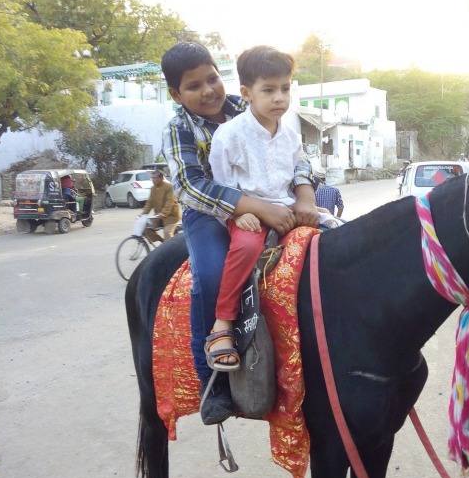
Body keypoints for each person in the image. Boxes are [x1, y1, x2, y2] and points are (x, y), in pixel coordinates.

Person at [161, 41, 320, 424]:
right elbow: (190, 186)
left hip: (274, 198)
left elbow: (298, 157)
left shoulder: (249, 101)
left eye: (212, 79)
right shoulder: (179, 128)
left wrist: (305, 195)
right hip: (210, 212)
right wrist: (252, 208)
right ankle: (212, 381)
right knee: (212, 272)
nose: (208, 91)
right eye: (194, 86)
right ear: (175, 94)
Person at [204, 46, 340, 372]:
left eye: (285, 88)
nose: (279, 98)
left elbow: (298, 174)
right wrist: (238, 213)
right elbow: (221, 185)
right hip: (248, 214)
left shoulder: (291, 136)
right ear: (246, 93)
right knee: (246, 245)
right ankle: (222, 324)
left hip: (287, 209)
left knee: (339, 233)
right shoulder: (229, 135)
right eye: (269, 90)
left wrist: (306, 203)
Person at [138, 170, 181, 242]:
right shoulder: (153, 188)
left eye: (155, 178)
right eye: (152, 178)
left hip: (171, 216)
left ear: (161, 178)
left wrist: (163, 213)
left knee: (167, 232)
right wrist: (143, 214)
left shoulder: (169, 187)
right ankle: (162, 242)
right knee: (146, 228)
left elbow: (169, 202)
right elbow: (149, 203)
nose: (153, 180)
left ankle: (169, 250)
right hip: (158, 217)